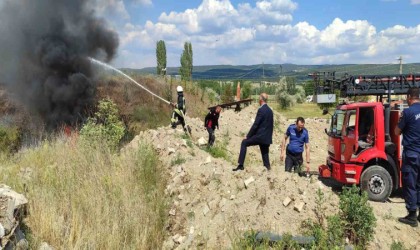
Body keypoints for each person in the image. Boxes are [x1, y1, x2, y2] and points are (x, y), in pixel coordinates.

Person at [395, 87, 420, 227]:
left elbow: (397, 132)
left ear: (410, 97)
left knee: (410, 184)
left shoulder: (408, 112)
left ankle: (412, 215)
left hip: (412, 155)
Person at [233, 93, 273, 171]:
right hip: (266, 138)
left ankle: (240, 165)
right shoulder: (270, 110)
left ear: (261, 100)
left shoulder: (261, 110)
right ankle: (268, 169)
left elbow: (256, 125)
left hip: (260, 136)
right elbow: (270, 125)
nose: (258, 100)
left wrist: (248, 136)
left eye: (259, 98)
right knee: (265, 154)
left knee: (244, 143)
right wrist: (268, 137)